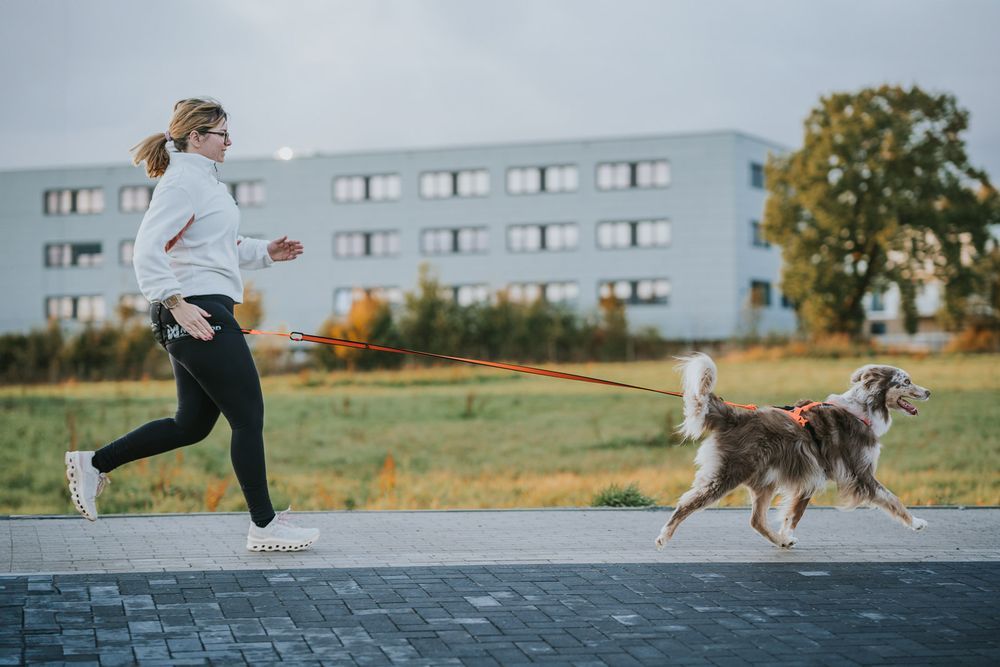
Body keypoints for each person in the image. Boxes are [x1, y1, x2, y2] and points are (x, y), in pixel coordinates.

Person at [64, 97, 319, 552]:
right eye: (222, 134)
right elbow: (146, 249)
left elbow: (215, 247)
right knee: (248, 415)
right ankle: (264, 526)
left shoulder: (205, 183)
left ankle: (95, 463)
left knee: (192, 424)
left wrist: (265, 252)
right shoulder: (182, 182)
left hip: (203, 306)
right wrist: (174, 301)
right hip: (196, 309)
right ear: (197, 137)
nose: (230, 142)